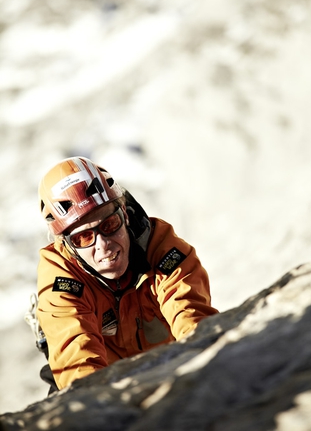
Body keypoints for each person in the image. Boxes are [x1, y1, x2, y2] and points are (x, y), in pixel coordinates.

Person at [36, 156, 219, 392]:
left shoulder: (162, 250)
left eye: (109, 225)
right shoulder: (60, 281)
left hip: (167, 366)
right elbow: (77, 366)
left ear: (124, 212)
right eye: (84, 237)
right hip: (106, 381)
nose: (103, 245)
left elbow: (193, 319)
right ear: (66, 244)